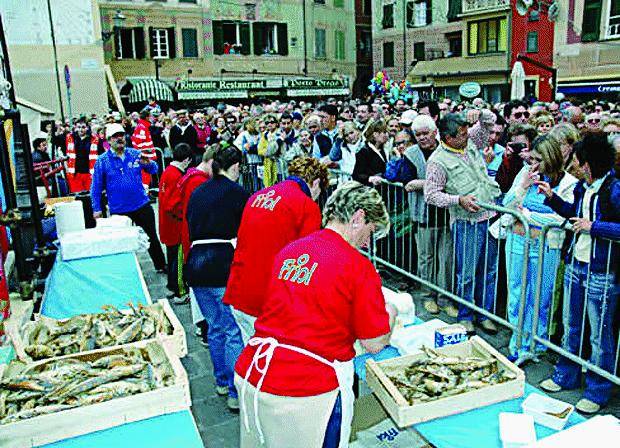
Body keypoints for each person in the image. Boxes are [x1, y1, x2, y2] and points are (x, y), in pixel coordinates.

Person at [234, 181, 395, 448]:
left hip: (256, 372)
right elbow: (375, 342)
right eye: (371, 231)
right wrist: (392, 311)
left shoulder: (290, 250)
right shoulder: (357, 265)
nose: (368, 242)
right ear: (358, 218)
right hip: (308, 388)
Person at [537, 133, 620, 414]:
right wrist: (552, 200)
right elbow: (575, 214)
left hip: (602, 272)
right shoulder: (584, 188)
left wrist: (594, 227)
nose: (573, 164)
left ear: (588, 163)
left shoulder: (614, 189)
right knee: (571, 325)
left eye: (577, 160)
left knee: (599, 335)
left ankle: (597, 390)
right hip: (576, 264)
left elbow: (598, 225)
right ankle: (566, 375)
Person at [224, 157, 328, 343]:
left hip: (240, 289)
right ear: (316, 183)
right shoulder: (306, 205)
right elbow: (308, 261)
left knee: (248, 355)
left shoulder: (258, 195)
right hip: (271, 301)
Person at [502, 134, 578, 362]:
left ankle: (535, 343)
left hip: (547, 247)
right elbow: (507, 206)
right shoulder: (525, 175)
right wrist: (522, 189)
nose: (532, 165)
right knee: (516, 294)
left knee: (540, 297)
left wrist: (527, 216)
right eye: (531, 159)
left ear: (552, 159)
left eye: (538, 160)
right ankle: (517, 341)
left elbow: (561, 219)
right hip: (517, 242)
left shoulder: (568, 184)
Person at [185, 146, 249, 411]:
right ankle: (235, 391)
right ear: (234, 166)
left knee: (214, 326)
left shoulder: (198, 192)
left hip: (197, 264)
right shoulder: (238, 193)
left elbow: (189, 225)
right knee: (232, 328)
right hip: (222, 263)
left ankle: (221, 380)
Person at [424, 113, 501, 334]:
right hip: (466, 222)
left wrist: (479, 113)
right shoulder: (437, 161)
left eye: (467, 132)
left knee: (489, 270)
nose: (467, 137)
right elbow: (431, 195)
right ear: (447, 138)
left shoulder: (471, 142)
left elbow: (488, 122)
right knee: (467, 274)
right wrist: (458, 200)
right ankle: (465, 315)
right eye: (461, 135)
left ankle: (484, 314)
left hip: (491, 216)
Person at [91, 123, 166, 272]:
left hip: (141, 204)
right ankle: (126, 271)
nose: (119, 138)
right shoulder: (102, 161)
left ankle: (161, 266)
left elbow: (154, 169)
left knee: (151, 236)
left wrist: (149, 163)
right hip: (119, 209)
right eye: (115, 136)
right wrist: (96, 209)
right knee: (121, 242)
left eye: (121, 135)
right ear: (108, 140)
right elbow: (96, 187)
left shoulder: (134, 153)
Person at [406, 115, 456, 317]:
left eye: (425, 133)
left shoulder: (446, 149)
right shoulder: (410, 153)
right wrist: (436, 184)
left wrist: (427, 184)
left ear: (435, 132)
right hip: (423, 215)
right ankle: (427, 296)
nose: (421, 138)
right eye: (418, 135)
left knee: (446, 260)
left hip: (446, 214)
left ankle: (445, 298)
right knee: (426, 259)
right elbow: (408, 183)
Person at [158, 143, 193, 302]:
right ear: (186, 160)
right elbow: (173, 204)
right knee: (178, 260)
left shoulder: (168, 172)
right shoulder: (176, 176)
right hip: (175, 225)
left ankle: (172, 285)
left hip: (167, 224)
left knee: (171, 258)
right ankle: (180, 291)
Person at [496, 124, 538, 193]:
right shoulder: (510, 160)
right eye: (515, 145)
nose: (517, 148)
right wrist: (506, 161)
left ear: (531, 143)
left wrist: (531, 161)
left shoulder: (538, 158)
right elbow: (501, 187)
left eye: (521, 145)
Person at [65, 118, 104, 193]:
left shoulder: (95, 139)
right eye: (78, 127)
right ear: (75, 127)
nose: (81, 130)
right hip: (75, 173)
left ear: (87, 127)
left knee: (92, 195)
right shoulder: (70, 138)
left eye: (83, 127)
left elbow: (103, 153)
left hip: (90, 173)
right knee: (78, 197)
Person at [352, 119, 388, 186]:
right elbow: (357, 174)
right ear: (375, 134)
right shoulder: (364, 152)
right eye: (384, 132)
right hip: (369, 190)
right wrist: (370, 178)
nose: (386, 135)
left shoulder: (384, 149)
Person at [131, 108, 158, 187]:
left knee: (147, 175)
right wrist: (145, 154)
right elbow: (140, 143)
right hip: (145, 156)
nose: (152, 118)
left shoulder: (142, 126)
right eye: (150, 116)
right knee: (145, 176)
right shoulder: (142, 127)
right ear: (146, 117)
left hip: (145, 156)